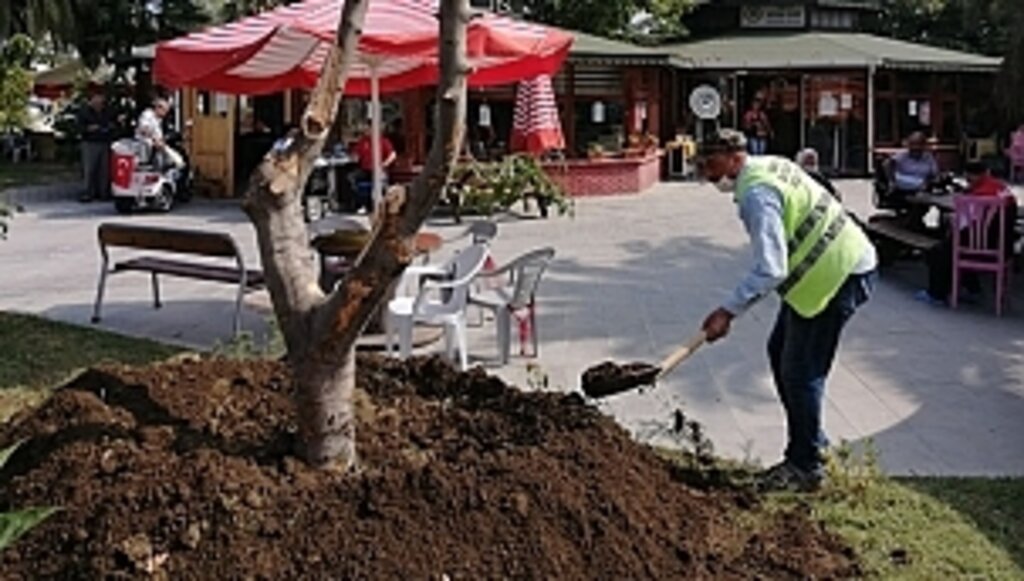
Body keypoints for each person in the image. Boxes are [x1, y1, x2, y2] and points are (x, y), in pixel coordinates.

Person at [698, 129, 877, 492]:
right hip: (833, 269)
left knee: (800, 371)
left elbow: (770, 268)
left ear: (734, 157)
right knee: (780, 352)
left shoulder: (756, 194)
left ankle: (805, 466)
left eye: (710, 164)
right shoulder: (770, 165)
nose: (706, 174)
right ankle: (813, 443)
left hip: (837, 277)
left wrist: (727, 311)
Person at [915, 161, 1019, 306]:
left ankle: (937, 294)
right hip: (1003, 245)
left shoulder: (974, 196)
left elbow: (962, 223)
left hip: (980, 244)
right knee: (950, 247)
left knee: (940, 251)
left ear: (968, 176)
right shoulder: (1002, 189)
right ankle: (972, 289)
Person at [883, 132, 939, 222]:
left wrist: (933, 181)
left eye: (918, 148)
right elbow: (887, 164)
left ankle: (913, 221)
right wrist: (891, 180)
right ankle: (910, 222)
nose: (915, 151)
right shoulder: (903, 156)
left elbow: (934, 173)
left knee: (926, 200)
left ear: (923, 147)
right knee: (916, 202)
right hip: (903, 190)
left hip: (923, 188)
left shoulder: (928, 157)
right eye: (913, 148)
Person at [77, 91, 115, 202]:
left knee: (104, 169)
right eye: (97, 102)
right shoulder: (84, 112)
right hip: (90, 142)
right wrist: (89, 128)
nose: (99, 105)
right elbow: (79, 128)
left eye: (101, 103)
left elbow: (111, 123)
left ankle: (103, 193)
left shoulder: (106, 112)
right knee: (89, 169)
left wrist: (109, 127)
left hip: (104, 141)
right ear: (92, 101)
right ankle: (88, 192)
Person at [349, 125, 396, 212]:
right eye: (366, 129)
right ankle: (359, 204)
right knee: (351, 178)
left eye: (368, 129)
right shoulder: (363, 141)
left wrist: (384, 164)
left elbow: (392, 155)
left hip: (379, 170)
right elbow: (356, 155)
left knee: (380, 182)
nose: (366, 131)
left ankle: (380, 205)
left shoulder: (383, 141)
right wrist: (354, 157)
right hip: (365, 169)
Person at [136, 97, 184, 170]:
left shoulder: (159, 119)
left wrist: (162, 140)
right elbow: (144, 129)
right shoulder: (147, 114)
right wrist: (154, 139)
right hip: (144, 142)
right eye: (164, 110)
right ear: (158, 108)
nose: (165, 113)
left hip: (157, 143)